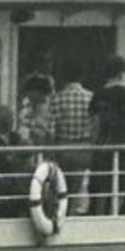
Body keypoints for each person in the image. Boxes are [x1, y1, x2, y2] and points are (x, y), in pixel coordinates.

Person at [89, 55, 125, 215]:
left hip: (104, 145)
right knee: (122, 186)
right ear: (122, 72)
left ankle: (100, 219)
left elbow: (95, 123)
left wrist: (95, 145)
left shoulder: (98, 95)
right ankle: (117, 217)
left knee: (104, 186)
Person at [49, 64, 95, 216]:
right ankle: (77, 210)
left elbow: (51, 130)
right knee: (80, 183)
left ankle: (65, 211)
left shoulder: (57, 99)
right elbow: (95, 126)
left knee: (63, 185)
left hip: (63, 148)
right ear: (82, 77)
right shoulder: (90, 97)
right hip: (84, 148)